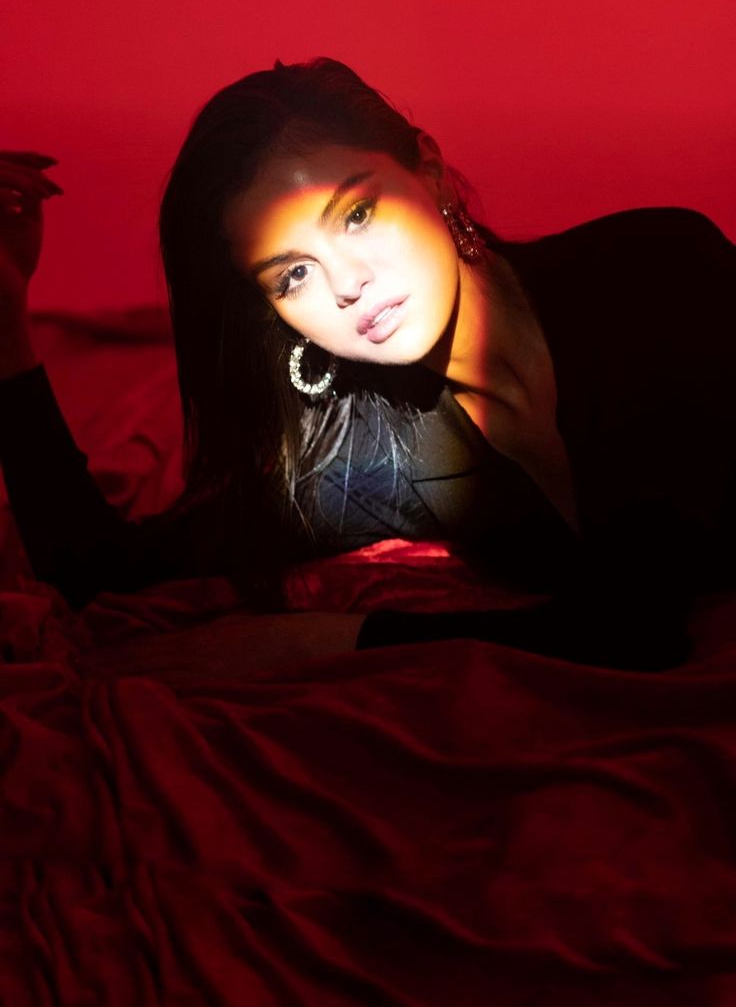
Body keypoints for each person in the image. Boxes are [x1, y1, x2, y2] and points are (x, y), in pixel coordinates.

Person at [0, 57, 734, 673]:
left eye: (356, 214)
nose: (346, 284)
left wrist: (323, 639)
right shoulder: (368, 456)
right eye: (291, 275)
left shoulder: (659, 269)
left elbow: (638, 626)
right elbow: (100, 570)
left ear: (433, 173)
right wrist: (6, 311)